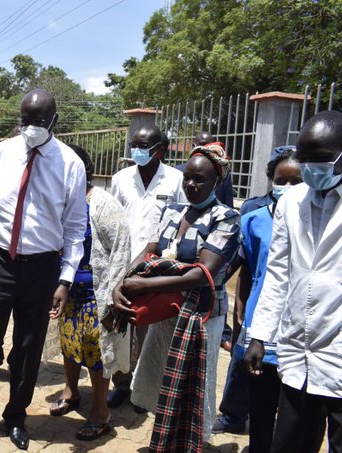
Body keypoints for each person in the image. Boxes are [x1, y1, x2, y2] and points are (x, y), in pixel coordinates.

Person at [0, 88, 87, 450]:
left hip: (42, 266)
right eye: (25, 120)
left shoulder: (69, 164)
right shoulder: (2, 153)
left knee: (28, 347)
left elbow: (75, 227)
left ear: (54, 123)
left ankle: (16, 414)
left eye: (39, 121)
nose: (30, 127)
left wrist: (64, 279)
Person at [113, 142, 241, 448]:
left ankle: (187, 442)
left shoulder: (226, 218)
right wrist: (124, 280)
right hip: (166, 310)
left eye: (201, 180)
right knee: (163, 377)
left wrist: (142, 286)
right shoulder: (173, 211)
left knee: (191, 384)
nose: (192, 185)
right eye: (187, 178)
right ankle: (166, 438)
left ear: (216, 181)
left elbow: (202, 273)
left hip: (201, 316)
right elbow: (149, 250)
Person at [245, 110, 342, 453]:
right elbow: (278, 274)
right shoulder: (291, 204)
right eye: (305, 158)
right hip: (299, 353)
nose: (312, 167)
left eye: (322, 159)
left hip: (339, 352)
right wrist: (260, 335)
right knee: (288, 445)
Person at [212, 145, 298, 435]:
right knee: (253, 379)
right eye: (281, 180)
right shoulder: (253, 219)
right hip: (261, 315)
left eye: (295, 182)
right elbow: (244, 269)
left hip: (300, 318)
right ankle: (238, 421)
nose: (287, 187)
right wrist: (238, 311)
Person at [50, 144, 131, 441]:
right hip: (68, 290)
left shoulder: (104, 205)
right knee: (70, 344)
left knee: (97, 352)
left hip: (97, 294)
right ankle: (71, 392)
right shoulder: (60, 201)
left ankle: (101, 412)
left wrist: (113, 297)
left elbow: (121, 252)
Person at [108, 124, 186, 410]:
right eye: (135, 145)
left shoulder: (176, 180)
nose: (137, 151)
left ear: (160, 151)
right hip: (121, 263)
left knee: (149, 329)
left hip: (156, 268)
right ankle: (120, 384)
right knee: (121, 329)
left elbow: (182, 223)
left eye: (144, 147)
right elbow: (112, 219)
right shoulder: (120, 179)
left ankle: (144, 388)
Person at [176, 131, 235, 207]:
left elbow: (228, 203)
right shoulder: (178, 171)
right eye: (203, 145)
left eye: (211, 145)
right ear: (194, 146)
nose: (206, 149)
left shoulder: (222, 174)